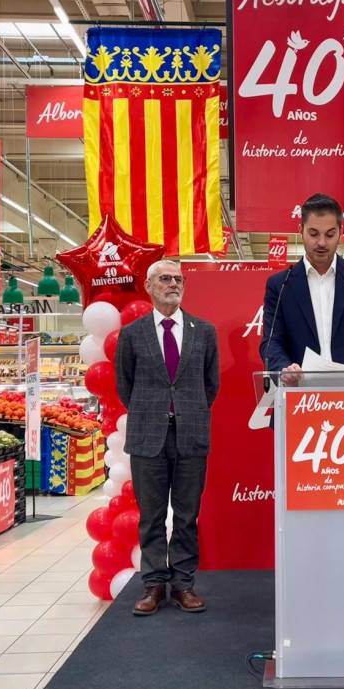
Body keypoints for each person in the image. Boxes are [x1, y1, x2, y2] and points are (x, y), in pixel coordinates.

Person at [115, 260, 220, 616]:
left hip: (191, 433)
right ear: (149, 286)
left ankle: (184, 585)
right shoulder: (132, 334)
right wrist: (152, 411)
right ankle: (154, 585)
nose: (173, 284)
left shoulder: (204, 331)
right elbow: (124, 386)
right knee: (152, 515)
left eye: (178, 279)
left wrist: (187, 410)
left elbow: (211, 385)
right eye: (165, 278)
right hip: (148, 437)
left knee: (188, 514)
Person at [260, 193, 344, 385]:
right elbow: (271, 343)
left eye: (330, 234)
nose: (321, 242)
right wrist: (283, 369)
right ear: (301, 230)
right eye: (313, 234)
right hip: (300, 398)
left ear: (340, 231)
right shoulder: (280, 285)